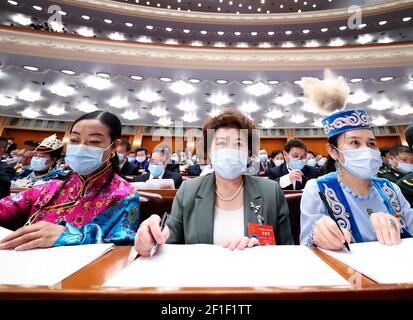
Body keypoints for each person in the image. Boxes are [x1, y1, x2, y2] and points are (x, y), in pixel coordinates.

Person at [134, 109, 293, 257]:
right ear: (210, 152)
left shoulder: (271, 192)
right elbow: (169, 240)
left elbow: (287, 251)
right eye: (221, 143)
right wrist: (151, 238)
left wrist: (261, 251)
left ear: (249, 153)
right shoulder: (188, 190)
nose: (230, 150)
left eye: (238, 144)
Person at [299, 70, 412, 250]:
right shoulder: (318, 189)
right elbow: (306, 245)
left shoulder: (390, 189)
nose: (366, 150)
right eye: (354, 143)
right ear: (333, 151)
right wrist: (319, 236)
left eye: (371, 143)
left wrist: (398, 225)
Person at [0, 111, 140, 251]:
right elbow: (7, 207)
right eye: (74, 140)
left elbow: (122, 245)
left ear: (114, 146)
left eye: (94, 142)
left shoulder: (124, 195)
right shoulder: (51, 187)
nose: (80, 148)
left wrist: (68, 236)